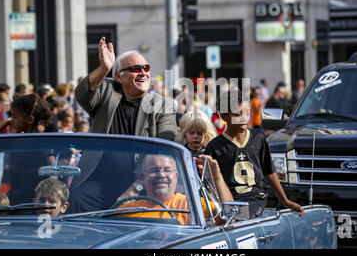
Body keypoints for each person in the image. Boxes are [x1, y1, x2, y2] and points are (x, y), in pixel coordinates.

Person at [204, 90, 304, 219]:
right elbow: (210, 185)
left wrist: (285, 200)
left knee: (235, 216)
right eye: (238, 114)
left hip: (253, 200)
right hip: (227, 201)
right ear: (224, 116)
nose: (244, 118)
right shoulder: (214, 146)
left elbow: (269, 172)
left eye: (247, 113)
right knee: (220, 216)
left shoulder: (258, 140)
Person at [75, 37, 177, 139]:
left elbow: (167, 142)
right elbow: (82, 93)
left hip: (143, 155)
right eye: (135, 69)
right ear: (118, 76)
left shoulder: (164, 105)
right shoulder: (107, 90)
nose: (143, 73)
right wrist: (104, 69)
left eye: (146, 68)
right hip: (103, 155)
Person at [117, 154, 233, 225]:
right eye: (154, 170)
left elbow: (229, 218)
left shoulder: (191, 205)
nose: (161, 175)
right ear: (143, 177)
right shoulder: (129, 209)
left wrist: (216, 176)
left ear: (176, 176)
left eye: (167, 170)